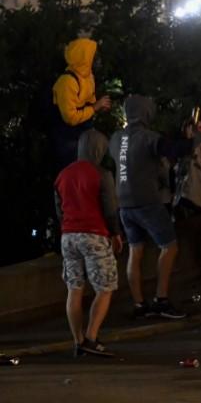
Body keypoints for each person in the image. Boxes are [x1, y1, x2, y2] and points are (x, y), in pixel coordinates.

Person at [109, 95, 201, 319]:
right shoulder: (148, 137)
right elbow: (177, 150)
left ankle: (139, 304)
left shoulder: (116, 138)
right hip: (147, 201)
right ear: (145, 113)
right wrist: (200, 136)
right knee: (169, 246)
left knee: (135, 250)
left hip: (124, 204)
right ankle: (161, 299)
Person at [55, 130, 121, 357]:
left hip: (68, 236)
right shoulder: (102, 174)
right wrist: (115, 234)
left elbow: (59, 210)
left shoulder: (63, 174)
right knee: (105, 286)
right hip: (94, 235)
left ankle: (77, 341)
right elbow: (110, 209)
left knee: (74, 288)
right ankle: (91, 338)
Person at [51, 37, 111, 172]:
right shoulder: (67, 82)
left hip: (84, 137)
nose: (97, 60)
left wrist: (99, 107)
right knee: (72, 178)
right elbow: (70, 118)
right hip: (68, 140)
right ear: (84, 57)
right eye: (93, 56)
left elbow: (90, 104)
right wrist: (95, 108)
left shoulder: (88, 76)